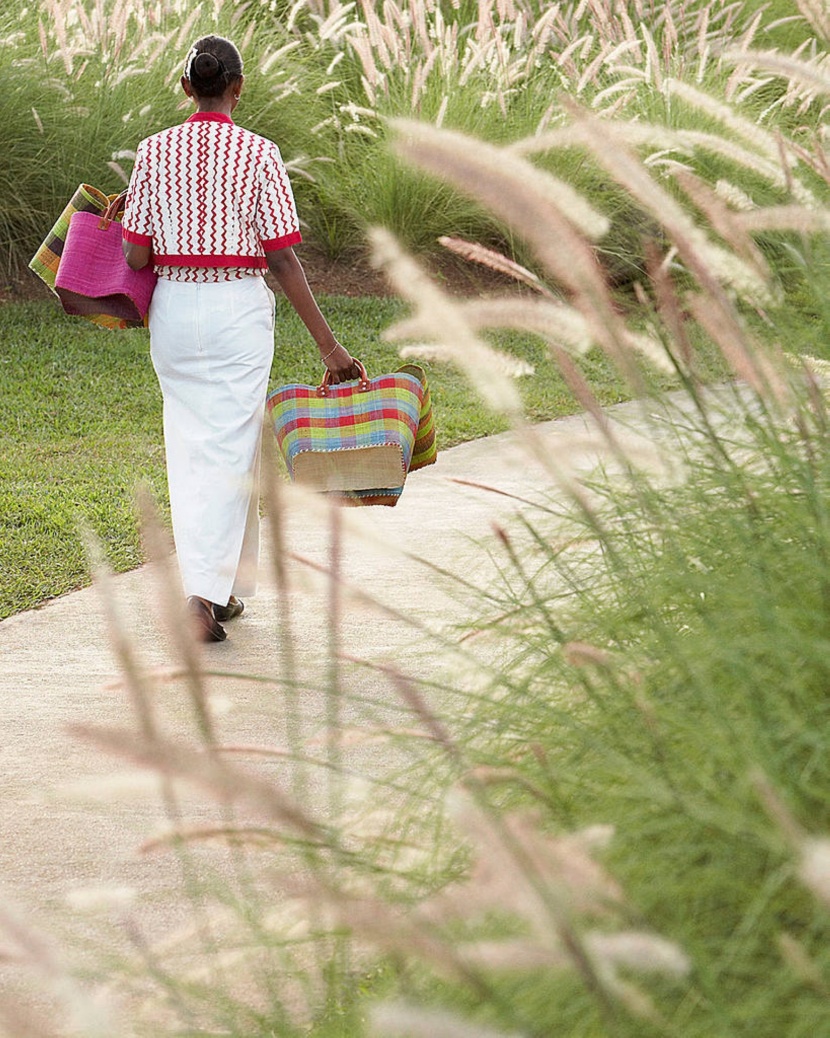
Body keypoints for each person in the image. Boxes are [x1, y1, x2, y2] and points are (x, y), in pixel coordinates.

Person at [122, 34, 359, 643]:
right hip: (236, 309)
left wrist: (136, 217)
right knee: (229, 448)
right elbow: (282, 259)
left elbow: (135, 253)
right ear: (238, 86)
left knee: (199, 442)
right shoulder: (260, 154)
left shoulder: (152, 152)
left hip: (174, 306)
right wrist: (329, 346)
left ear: (185, 87)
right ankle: (199, 597)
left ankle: (223, 589)